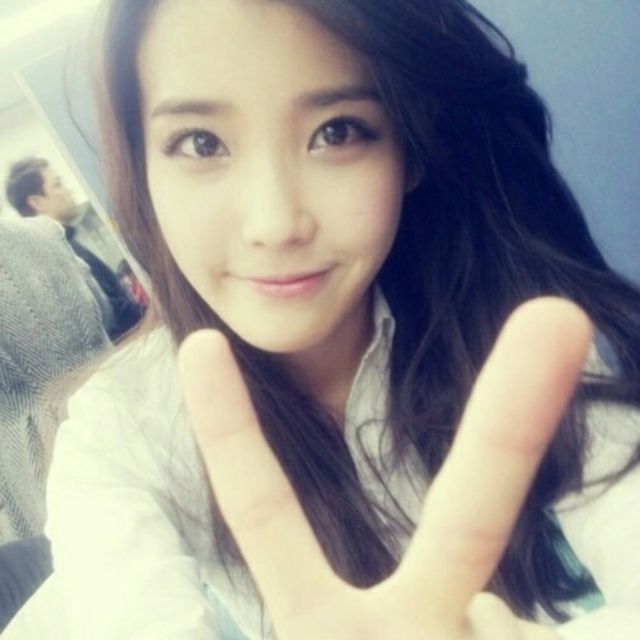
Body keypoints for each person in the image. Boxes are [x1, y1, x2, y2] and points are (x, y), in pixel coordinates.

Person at [4, 0, 640, 638]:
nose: (275, 223)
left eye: (338, 132)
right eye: (201, 143)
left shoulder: (511, 339)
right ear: (143, 170)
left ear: (411, 150)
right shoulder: (120, 432)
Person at [0, 215, 111, 629]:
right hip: (105, 397)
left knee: (77, 588)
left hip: (25, 457)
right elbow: (103, 307)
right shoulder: (42, 232)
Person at [5, 157, 145, 341]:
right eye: (57, 184)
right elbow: (117, 318)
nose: (68, 190)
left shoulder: (61, 249)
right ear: (38, 203)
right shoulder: (62, 255)